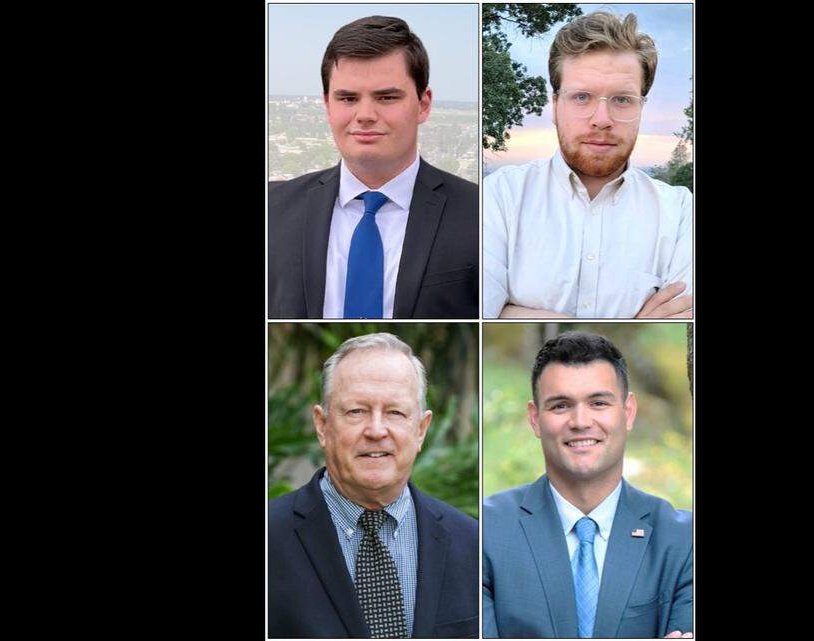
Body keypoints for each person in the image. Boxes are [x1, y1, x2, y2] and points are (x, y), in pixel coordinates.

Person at [483, 12, 693, 319]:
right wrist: (631, 323)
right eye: (582, 97)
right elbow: (476, 308)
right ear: (555, 106)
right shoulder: (498, 197)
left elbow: (684, 315)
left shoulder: (682, 214)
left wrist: (509, 312)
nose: (602, 119)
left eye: (622, 99)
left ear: (641, 107)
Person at [482, 332, 692, 638]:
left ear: (628, 412)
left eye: (598, 402)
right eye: (560, 406)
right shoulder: (487, 532)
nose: (580, 421)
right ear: (535, 418)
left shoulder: (683, 540)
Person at [269, 333, 478, 638]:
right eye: (356, 411)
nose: (376, 430)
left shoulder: (471, 543)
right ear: (322, 425)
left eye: (395, 412)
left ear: (421, 429)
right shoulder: (270, 537)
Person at [270, 16, 478, 319]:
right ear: (327, 104)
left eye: (386, 97)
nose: (365, 114)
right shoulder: (273, 210)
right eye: (348, 98)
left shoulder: (477, 212)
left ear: (423, 104)